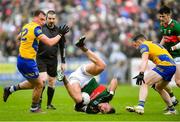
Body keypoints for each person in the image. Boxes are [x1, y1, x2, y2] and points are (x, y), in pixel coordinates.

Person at [3, 10, 69, 113]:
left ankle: (10, 89)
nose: (43, 22)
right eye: (42, 19)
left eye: (45, 19)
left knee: (36, 83)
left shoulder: (27, 26)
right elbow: (50, 42)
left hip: (23, 59)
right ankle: (35, 108)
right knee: (40, 84)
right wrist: (60, 34)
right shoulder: (37, 29)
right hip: (29, 61)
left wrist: (27, 43)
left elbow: (18, 37)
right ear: (36, 18)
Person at [57, 36, 118, 114]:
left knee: (78, 99)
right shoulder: (107, 96)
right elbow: (115, 80)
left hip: (77, 83)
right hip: (86, 75)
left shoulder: (92, 110)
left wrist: (79, 105)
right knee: (102, 66)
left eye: (102, 111)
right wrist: (111, 93)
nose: (102, 109)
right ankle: (81, 46)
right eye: (105, 108)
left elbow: (77, 108)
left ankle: (63, 77)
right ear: (108, 105)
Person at [126, 34, 177, 115]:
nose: (136, 47)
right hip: (172, 66)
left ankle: (140, 106)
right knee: (158, 87)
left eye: (135, 45)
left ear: (139, 41)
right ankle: (172, 110)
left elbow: (144, 60)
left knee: (144, 81)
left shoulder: (144, 45)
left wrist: (141, 73)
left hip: (165, 65)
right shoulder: (153, 43)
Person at [37, 10, 67, 110]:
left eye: (53, 18)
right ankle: (38, 102)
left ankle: (49, 104)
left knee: (52, 82)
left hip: (53, 60)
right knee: (43, 79)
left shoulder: (60, 30)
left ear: (55, 19)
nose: (51, 20)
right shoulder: (40, 28)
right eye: (49, 18)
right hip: (41, 58)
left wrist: (63, 62)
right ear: (46, 18)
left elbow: (63, 47)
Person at [158, 5, 180, 109]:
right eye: (160, 16)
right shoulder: (162, 25)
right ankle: (172, 101)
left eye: (163, 16)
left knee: (178, 82)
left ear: (168, 15)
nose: (161, 19)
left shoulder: (176, 26)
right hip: (167, 57)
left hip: (178, 56)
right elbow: (164, 38)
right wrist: (159, 47)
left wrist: (174, 48)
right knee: (161, 82)